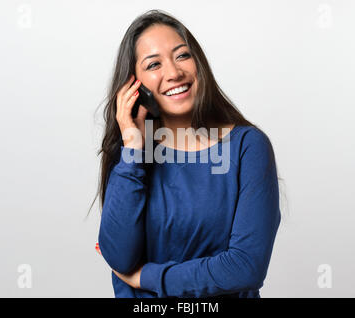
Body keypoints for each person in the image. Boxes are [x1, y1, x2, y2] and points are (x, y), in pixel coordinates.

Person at [91, 9, 281, 298]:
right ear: (134, 85)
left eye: (182, 55)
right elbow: (119, 258)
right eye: (154, 64)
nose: (173, 73)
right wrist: (132, 147)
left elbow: (246, 266)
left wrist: (147, 277)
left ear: (199, 63)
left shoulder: (248, 146)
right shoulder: (133, 156)